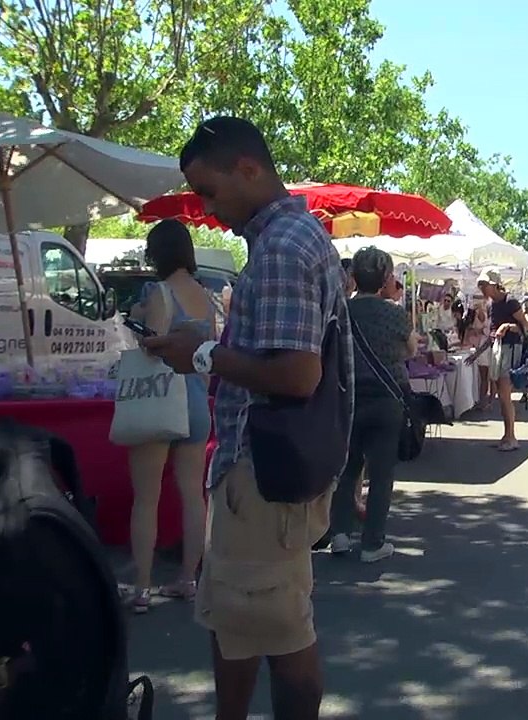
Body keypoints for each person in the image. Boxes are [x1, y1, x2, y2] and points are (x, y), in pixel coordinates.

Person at [141, 116, 352, 720]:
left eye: (209, 191)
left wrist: (202, 353)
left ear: (249, 169)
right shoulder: (286, 238)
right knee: (240, 620)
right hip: (261, 469)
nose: (206, 210)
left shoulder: (283, 245)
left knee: (281, 633)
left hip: (263, 473)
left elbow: (297, 373)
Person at [124, 219, 219, 614]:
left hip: (161, 399)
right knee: (192, 494)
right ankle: (188, 578)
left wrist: (136, 315)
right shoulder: (204, 296)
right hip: (196, 401)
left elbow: (154, 345)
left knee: (146, 497)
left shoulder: (160, 292)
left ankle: (142, 588)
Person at [328, 247, 408, 564]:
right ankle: (372, 542)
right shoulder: (394, 313)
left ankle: (339, 534)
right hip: (387, 398)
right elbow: (410, 348)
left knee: (347, 468)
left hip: (349, 396)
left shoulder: (343, 310)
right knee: (381, 472)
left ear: (353, 277)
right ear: (385, 278)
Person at [467, 270, 528, 451]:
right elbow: (493, 334)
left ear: (493, 284)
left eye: (484, 285)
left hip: (511, 350)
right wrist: (478, 353)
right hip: (498, 350)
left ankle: (511, 436)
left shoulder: (510, 302)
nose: (482, 289)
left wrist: (508, 326)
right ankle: (507, 435)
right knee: (502, 396)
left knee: (504, 394)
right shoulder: (493, 305)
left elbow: (525, 326)